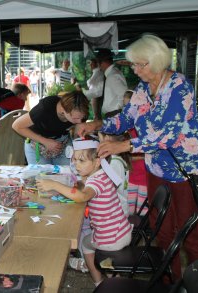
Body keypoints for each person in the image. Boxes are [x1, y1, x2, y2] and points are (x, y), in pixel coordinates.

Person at [75, 34, 198, 281]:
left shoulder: (179, 86)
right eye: (134, 64)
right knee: (164, 230)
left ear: (157, 61)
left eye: (140, 64)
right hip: (157, 167)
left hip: (186, 170)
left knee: (191, 233)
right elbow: (127, 118)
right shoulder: (143, 89)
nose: (135, 70)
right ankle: (171, 281)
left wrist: (124, 146)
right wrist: (98, 124)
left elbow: (167, 135)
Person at [36, 138, 132, 287]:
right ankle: (114, 278)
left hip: (111, 238)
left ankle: (99, 282)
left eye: (81, 161)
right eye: (74, 160)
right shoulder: (102, 174)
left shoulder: (95, 182)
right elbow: (85, 189)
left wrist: (55, 184)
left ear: (97, 162)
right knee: (90, 239)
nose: (76, 165)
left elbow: (82, 196)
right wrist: (73, 186)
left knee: (86, 245)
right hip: (122, 230)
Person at [12, 91, 89, 165]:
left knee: (68, 174)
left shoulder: (79, 108)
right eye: (75, 118)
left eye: (81, 118)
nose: (80, 122)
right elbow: (17, 126)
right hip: (38, 144)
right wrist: (45, 141)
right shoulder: (45, 108)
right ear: (63, 110)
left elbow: (78, 129)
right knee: (41, 177)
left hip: (63, 144)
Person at [123, 90, 148, 215]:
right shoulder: (127, 130)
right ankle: (132, 232)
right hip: (132, 176)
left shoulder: (145, 128)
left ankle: (141, 232)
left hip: (144, 177)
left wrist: (130, 157)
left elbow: (148, 153)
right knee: (129, 208)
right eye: (125, 106)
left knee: (142, 211)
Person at [99, 132, 131, 216]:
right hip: (118, 208)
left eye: (100, 138)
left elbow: (108, 189)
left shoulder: (114, 163)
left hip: (117, 212)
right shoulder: (115, 159)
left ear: (107, 138)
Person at [93, 48, 127, 119]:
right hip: (113, 114)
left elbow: (124, 95)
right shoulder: (112, 73)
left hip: (115, 114)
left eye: (98, 63)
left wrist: (119, 112)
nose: (99, 67)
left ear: (102, 63)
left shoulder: (112, 76)